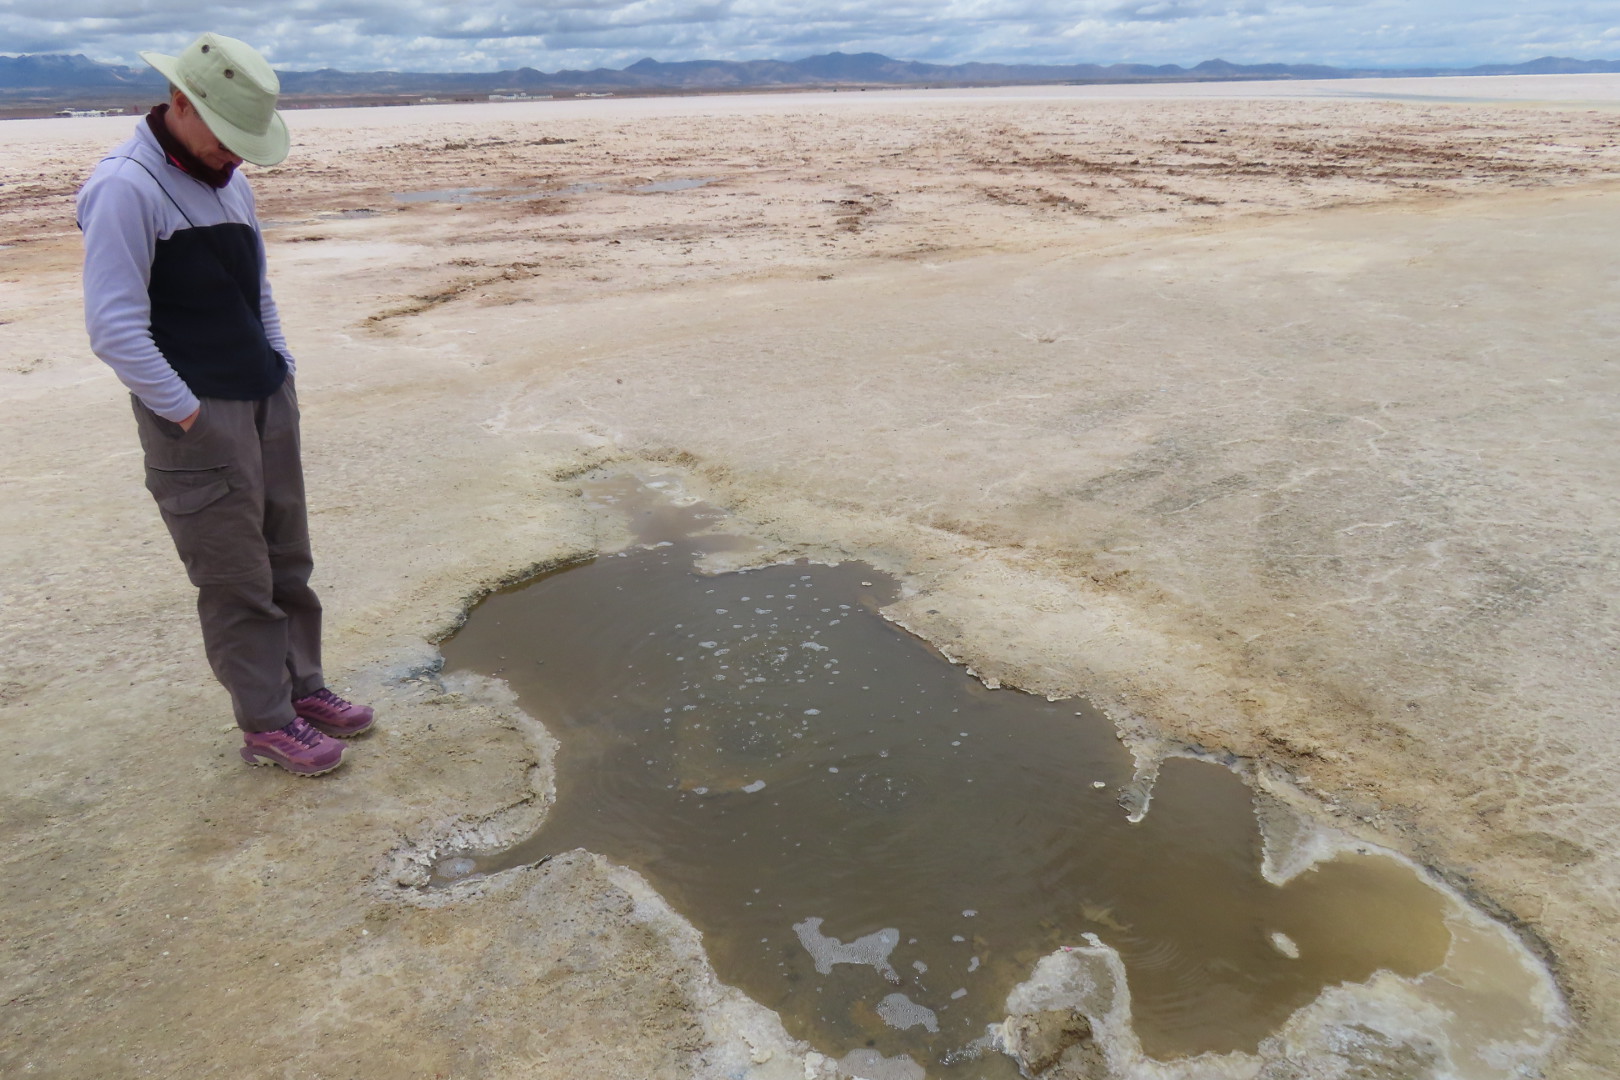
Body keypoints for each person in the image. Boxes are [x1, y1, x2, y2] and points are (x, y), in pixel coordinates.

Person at [76, 32, 372, 776]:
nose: (236, 152)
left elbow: (256, 292)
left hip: (264, 395)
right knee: (235, 575)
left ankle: (303, 686)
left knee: (287, 558)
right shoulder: (125, 188)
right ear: (180, 102)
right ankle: (266, 722)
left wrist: (281, 371)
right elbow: (113, 328)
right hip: (198, 414)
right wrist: (188, 414)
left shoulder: (230, 180)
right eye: (226, 133)